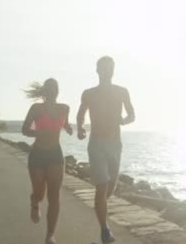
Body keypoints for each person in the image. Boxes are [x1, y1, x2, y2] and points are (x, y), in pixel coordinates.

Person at [77, 56, 135, 244]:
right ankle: (105, 230)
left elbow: (132, 114)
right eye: (103, 68)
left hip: (114, 143)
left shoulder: (122, 92)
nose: (106, 71)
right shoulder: (89, 93)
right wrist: (79, 128)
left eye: (110, 68)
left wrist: (123, 121)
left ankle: (100, 210)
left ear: (113, 70)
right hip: (96, 143)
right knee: (101, 187)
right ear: (97, 70)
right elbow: (81, 113)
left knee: (110, 187)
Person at [21, 78, 73, 244]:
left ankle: (50, 235)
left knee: (54, 196)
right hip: (37, 154)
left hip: (55, 155)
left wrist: (69, 128)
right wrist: (38, 134)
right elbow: (24, 129)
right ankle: (34, 201)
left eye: (55, 88)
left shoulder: (64, 108)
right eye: (49, 89)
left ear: (58, 91)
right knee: (39, 193)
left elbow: (65, 124)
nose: (52, 91)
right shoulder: (36, 108)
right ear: (44, 92)